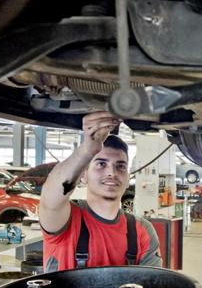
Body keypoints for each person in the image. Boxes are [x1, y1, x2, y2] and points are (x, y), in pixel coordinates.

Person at [39, 112, 162, 272]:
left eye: (120, 166)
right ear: (83, 176)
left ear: (127, 178)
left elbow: (152, 286)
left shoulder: (142, 230)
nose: (112, 172)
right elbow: (50, 198)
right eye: (101, 164)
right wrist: (87, 150)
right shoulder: (66, 221)